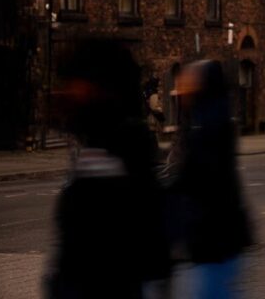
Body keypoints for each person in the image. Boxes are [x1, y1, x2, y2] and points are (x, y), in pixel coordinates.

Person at [47, 38, 169, 298]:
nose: (63, 91)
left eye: (72, 82)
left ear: (97, 87)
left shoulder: (116, 151)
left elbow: (123, 252)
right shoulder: (102, 144)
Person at [163, 60, 252, 299]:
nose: (183, 86)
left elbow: (192, 179)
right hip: (220, 240)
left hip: (215, 242)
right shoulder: (209, 119)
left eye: (191, 80)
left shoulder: (209, 127)